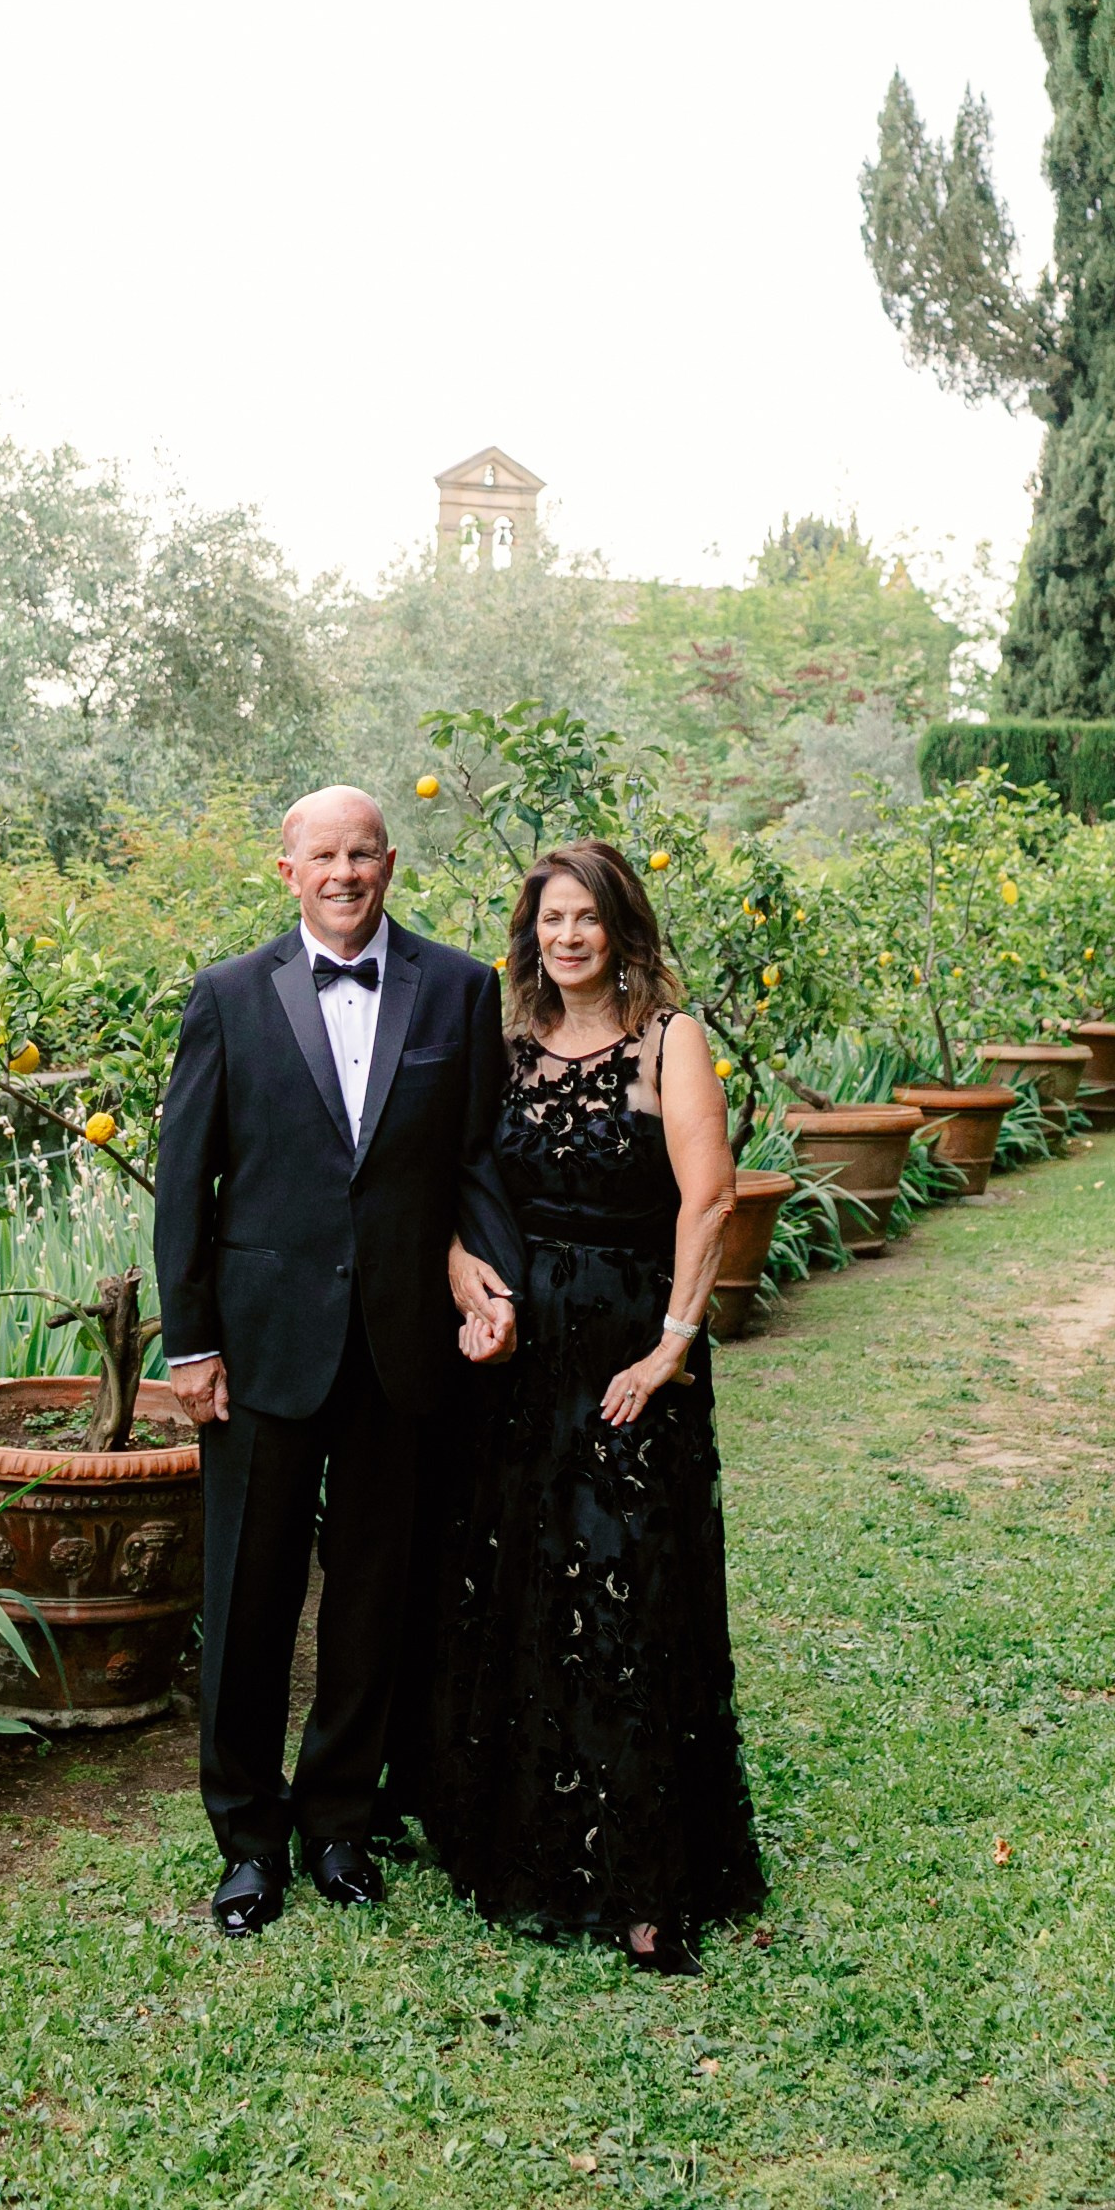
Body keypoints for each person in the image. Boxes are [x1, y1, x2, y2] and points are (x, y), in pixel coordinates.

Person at [154, 786, 520, 1938]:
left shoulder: (458, 989)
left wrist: (491, 1283)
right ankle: (247, 1840)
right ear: (288, 870)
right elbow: (185, 1181)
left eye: (362, 853)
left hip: (400, 1347)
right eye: (323, 855)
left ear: (390, 863)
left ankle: (338, 1823)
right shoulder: (226, 995)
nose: (344, 873)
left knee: (372, 1594)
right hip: (259, 1346)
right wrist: (189, 1340)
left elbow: (476, 1161)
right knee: (248, 1597)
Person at [426, 837, 765, 1972]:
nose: (566, 936)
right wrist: (462, 1273)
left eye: (585, 916)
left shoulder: (670, 1041)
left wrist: (671, 1346)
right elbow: (457, 1183)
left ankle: (644, 1880)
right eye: (549, 918)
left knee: (628, 1587)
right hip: (519, 1357)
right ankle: (516, 1841)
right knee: (521, 1582)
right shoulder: (509, 1045)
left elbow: (708, 1198)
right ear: (531, 935)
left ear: (620, 929)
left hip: (626, 1350)